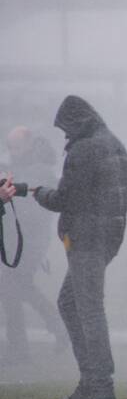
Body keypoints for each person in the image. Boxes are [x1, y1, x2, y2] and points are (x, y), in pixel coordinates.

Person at [32, 96, 127, 399]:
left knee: (87, 310)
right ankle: (92, 381)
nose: (64, 136)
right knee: (72, 304)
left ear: (75, 123)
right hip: (107, 236)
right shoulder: (114, 143)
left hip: (85, 238)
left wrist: (37, 192)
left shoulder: (84, 148)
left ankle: (99, 385)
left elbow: (65, 198)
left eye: (65, 129)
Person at [0, 127, 63, 364]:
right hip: (21, 239)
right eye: (10, 147)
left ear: (29, 145)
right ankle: (53, 329)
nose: (12, 151)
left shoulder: (39, 170)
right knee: (17, 287)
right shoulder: (21, 168)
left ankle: (22, 346)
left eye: (16, 146)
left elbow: (33, 208)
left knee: (12, 287)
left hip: (30, 240)